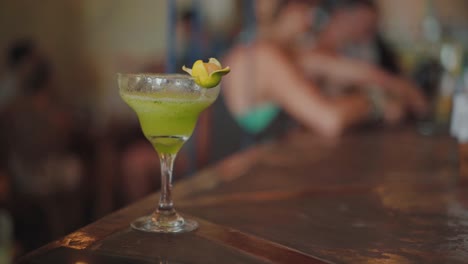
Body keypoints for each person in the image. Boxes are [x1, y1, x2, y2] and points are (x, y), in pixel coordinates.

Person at [221, 0, 428, 140]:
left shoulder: (286, 52)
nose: (313, 21)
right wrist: (377, 103)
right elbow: (330, 120)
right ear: (289, 9)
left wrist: (400, 87)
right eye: (309, 10)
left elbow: (353, 70)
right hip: (247, 189)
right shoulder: (262, 56)